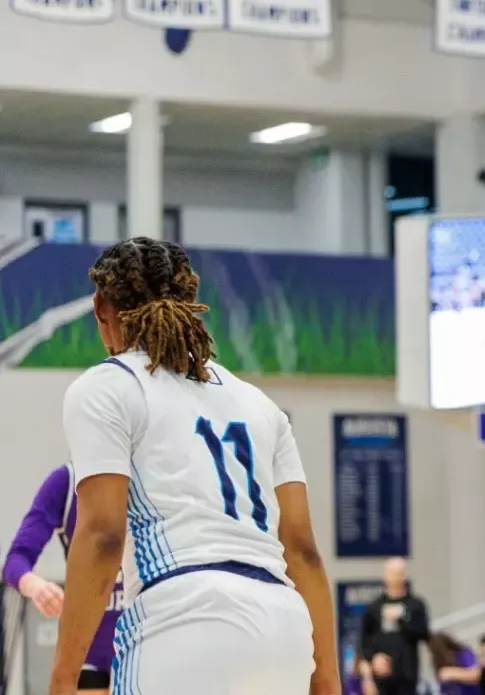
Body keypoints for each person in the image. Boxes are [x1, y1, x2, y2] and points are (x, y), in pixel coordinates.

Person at [49, 237, 339, 695]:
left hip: (184, 622)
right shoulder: (259, 404)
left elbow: (103, 535)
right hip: (284, 632)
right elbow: (302, 550)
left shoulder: (107, 386)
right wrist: (326, 677)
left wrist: (64, 676)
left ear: (100, 308)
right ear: (191, 301)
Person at [5, 465, 121, 689]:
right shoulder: (65, 482)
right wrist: (36, 587)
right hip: (87, 647)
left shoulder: (146, 477)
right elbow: (16, 559)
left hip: (140, 640)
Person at [358, 557, 431, 695]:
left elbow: (424, 633)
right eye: (392, 573)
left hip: (407, 675)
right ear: (385, 576)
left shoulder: (415, 605)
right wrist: (372, 661)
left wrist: (402, 619)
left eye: (399, 574)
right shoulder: (374, 607)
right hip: (381, 676)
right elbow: (364, 643)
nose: (395, 578)